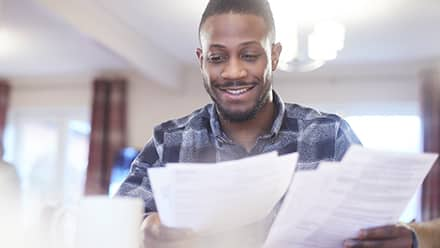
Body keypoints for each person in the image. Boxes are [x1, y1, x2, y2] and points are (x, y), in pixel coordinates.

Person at [117, 0, 439, 247]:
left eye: (249, 55)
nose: (233, 73)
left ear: (274, 55)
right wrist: (143, 228)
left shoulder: (331, 135)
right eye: (218, 58)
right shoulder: (168, 143)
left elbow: (381, 232)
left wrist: (406, 238)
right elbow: (109, 227)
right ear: (202, 61)